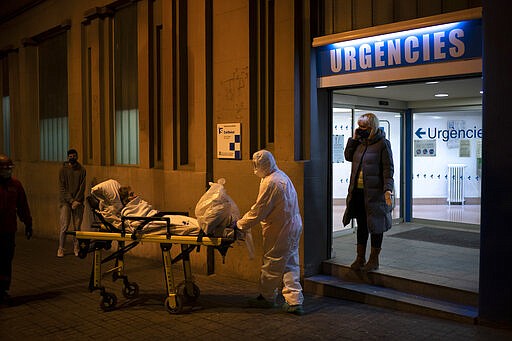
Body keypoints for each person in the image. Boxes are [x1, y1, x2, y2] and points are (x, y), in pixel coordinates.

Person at [235, 150, 304, 316]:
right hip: (292, 226)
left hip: (279, 229)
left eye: (256, 165)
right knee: (290, 262)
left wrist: (239, 225)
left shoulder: (270, 182)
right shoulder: (281, 176)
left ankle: (266, 297)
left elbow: (259, 210)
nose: (255, 168)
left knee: (272, 263)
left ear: (263, 165)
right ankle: (294, 301)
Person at [343, 113, 394, 272]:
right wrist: (353, 139)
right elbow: (348, 156)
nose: (360, 129)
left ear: (372, 127)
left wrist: (388, 189)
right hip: (358, 193)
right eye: (359, 126)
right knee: (362, 226)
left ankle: (373, 260)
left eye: (364, 127)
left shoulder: (382, 144)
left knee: (376, 226)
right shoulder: (359, 143)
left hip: (375, 194)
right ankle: (360, 258)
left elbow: (388, 169)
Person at [0, 154, 32, 305]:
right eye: (4, 168)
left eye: (9, 168)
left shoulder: (16, 185)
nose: (7, 170)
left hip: (8, 230)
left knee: (6, 260)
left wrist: (28, 223)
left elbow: (23, 206)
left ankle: (3, 290)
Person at [57, 149, 86, 258]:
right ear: (67, 157)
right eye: (70, 156)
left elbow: (82, 187)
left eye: (74, 155)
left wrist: (77, 201)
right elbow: (62, 188)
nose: (72, 157)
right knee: (64, 226)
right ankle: (61, 248)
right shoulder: (63, 170)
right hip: (66, 202)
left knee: (77, 228)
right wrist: (71, 201)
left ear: (77, 157)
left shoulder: (82, 170)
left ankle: (76, 247)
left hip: (78, 202)